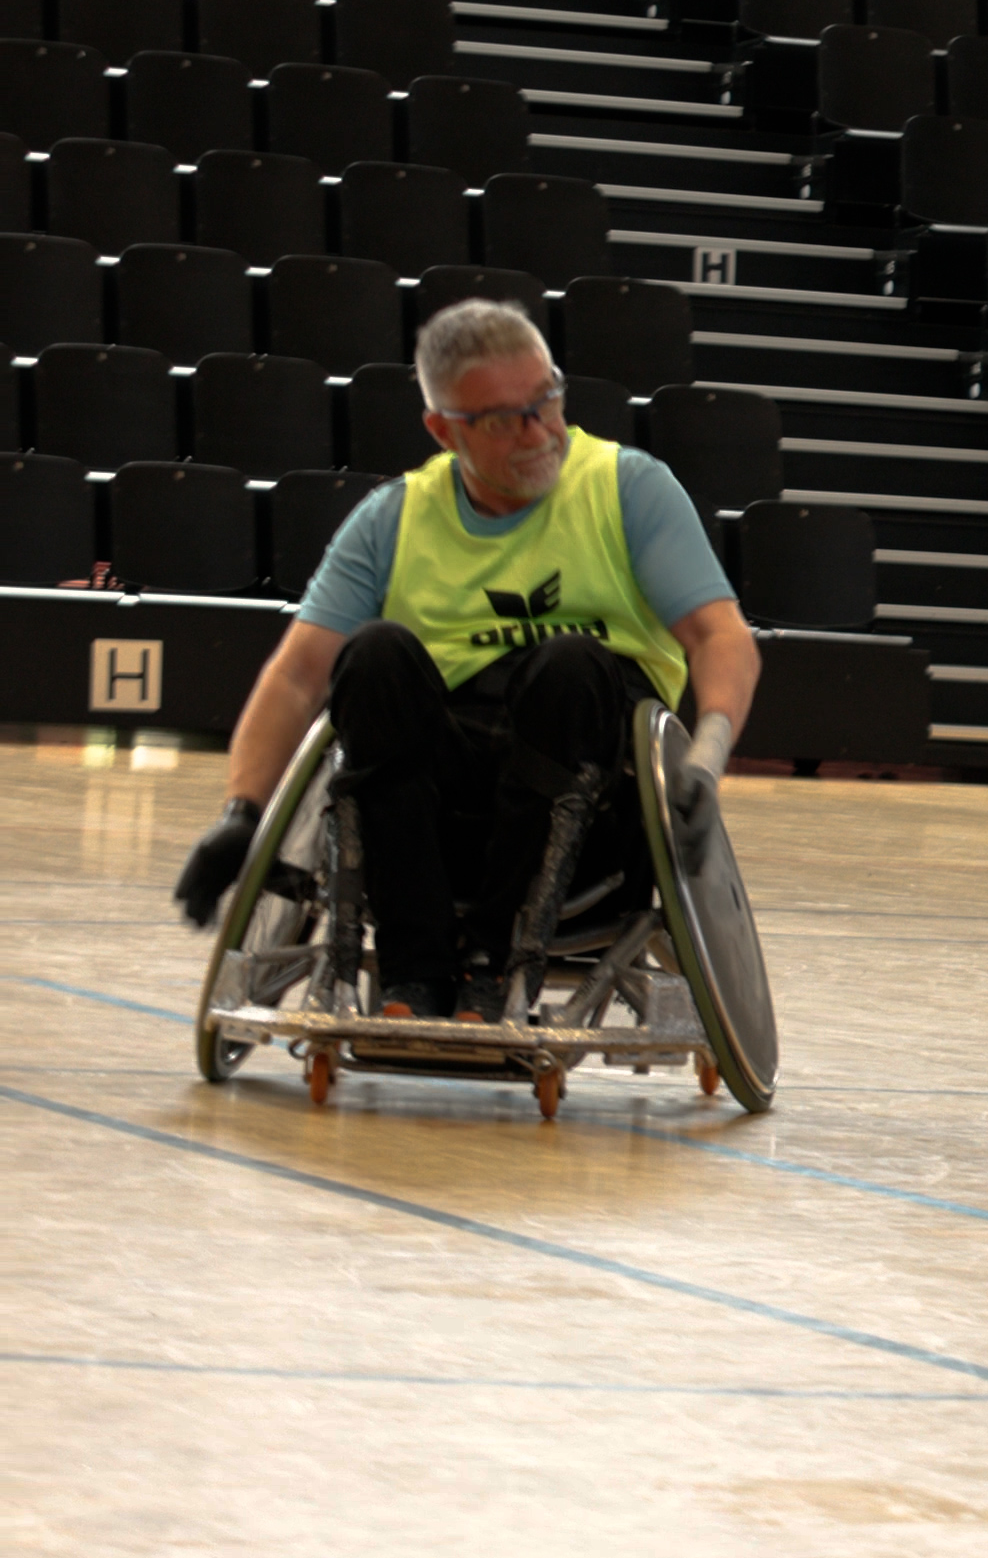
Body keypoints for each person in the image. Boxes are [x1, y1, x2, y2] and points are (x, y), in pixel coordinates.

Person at [166, 301, 762, 1020]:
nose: (542, 431)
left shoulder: (628, 488)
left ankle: (496, 963)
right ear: (444, 429)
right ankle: (415, 978)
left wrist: (706, 757)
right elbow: (296, 677)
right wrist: (241, 815)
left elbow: (720, 635)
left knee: (569, 665)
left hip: (596, 803)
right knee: (374, 655)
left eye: (549, 400)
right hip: (436, 813)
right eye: (507, 418)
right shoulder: (394, 517)